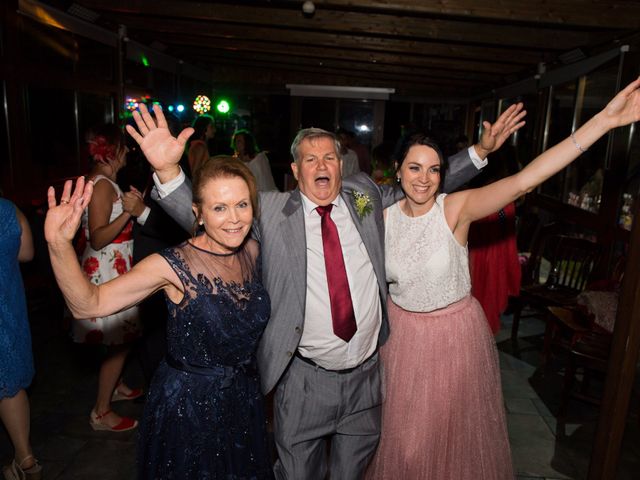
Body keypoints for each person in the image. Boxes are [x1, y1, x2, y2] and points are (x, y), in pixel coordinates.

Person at [125, 99, 525, 479]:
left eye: (329, 157)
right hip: (303, 382)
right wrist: (168, 174)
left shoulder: (363, 195)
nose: (321, 165)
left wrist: (479, 151)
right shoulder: (269, 213)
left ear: (342, 165)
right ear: (295, 170)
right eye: (310, 159)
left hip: (367, 379)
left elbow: (420, 185)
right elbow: (208, 217)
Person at [365, 78, 640, 479]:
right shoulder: (381, 218)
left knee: (440, 443)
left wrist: (603, 121)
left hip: (453, 338)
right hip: (403, 339)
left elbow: (525, 180)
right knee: (402, 446)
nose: (423, 178)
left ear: (444, 175)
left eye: (434, 169)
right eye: (414, 167)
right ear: (397, 170)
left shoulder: (456, 207)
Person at [44, 158, 272, 479]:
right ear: (198, 213)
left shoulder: (253, 251)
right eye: (219, 208)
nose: (234, 219)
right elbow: (89, 304)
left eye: (242, 205)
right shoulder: (171, 264)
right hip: (189, 408)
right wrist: (58, 244)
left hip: (242, 398)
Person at [74, 125, 142, 432]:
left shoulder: (102, 181)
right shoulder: (101, 185)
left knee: (121, 337)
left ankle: (114, 387)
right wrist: (129, 212)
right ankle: (100, 412)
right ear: (112, 151)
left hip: (113, 264)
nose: (128, 151)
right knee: (121, 340)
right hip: (107, 266)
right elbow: (98, 237)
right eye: (124, 147)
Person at [0, 199, 42, 480]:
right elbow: (27, 253)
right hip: (6, 306)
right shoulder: (7, 209)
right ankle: (25, 458)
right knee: (9, 381)